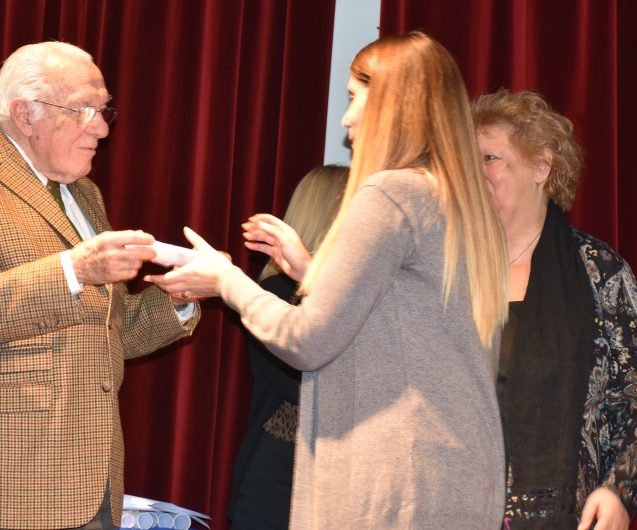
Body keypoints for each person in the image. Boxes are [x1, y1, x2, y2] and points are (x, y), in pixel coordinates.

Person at [150, 31, 509, 529]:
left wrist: (227, 280)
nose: (346, 119)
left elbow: (307, 341)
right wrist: (309, 270)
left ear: (392, 104)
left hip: (391, 482)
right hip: (455, 476)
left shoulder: (392, 193)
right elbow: (407, 317)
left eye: (355, 98)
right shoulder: (462, 204)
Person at [0, 41, 201, 530]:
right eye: (86, 110)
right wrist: (73, 270)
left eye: (105, 112)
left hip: (91, 486)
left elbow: (109, 336)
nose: (102, 129)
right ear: (25, 114)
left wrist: (181, 297)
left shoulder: (84, 193)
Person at [473, 89, 637, 530]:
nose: (474, 174)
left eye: (490, 159)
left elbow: (632, 401)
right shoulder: (449, 269)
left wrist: (620, 490)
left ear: (541, 167)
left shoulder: (600, 273)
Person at [228, 165, 348, 530]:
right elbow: (299, 384)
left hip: (332, 480)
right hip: (279, 479)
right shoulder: (275, 294)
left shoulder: (351, 297)